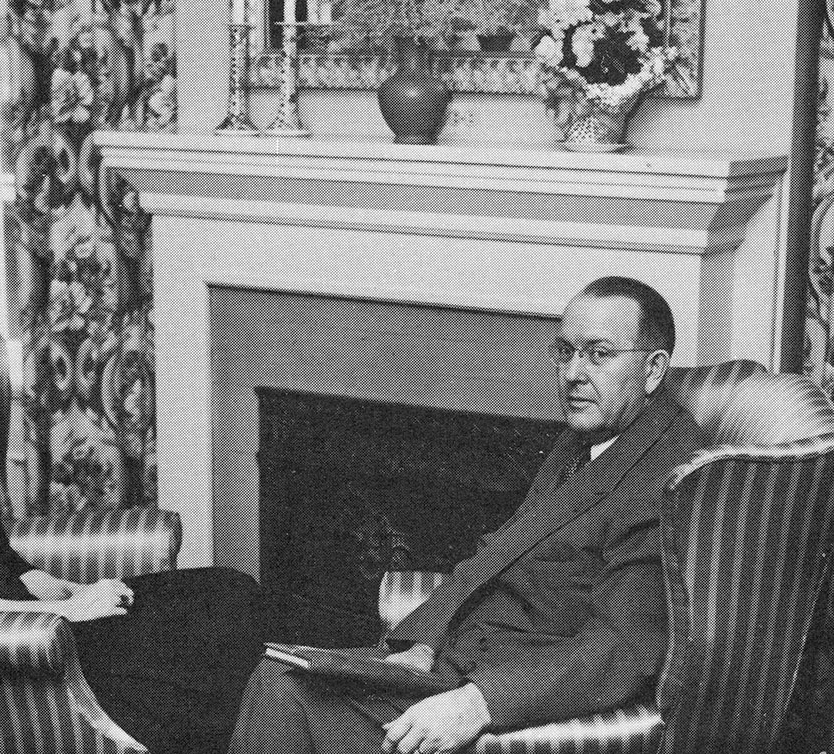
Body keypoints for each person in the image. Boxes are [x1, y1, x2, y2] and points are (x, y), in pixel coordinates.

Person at [228, 276, 701, 754]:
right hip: (458, 663)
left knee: (282, 694)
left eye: (598, 354)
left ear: (654, 369)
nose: (573, 373)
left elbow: (620, 647)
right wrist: (423, 643)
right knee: (278, 671)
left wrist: (477, 703)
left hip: (512, 701)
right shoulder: (589, 438)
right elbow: (495, 557)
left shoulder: (669, 474)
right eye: (565, 352)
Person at [0, 289, 262, 754]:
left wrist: (65, 586)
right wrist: (65, 611)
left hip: (29, 611)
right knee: (177, 646)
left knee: (228, 592)